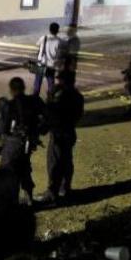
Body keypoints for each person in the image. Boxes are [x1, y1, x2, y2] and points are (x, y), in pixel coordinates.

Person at [35, 70, 84, 204]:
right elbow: (78, 115)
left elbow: (51, 114)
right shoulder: (78, 96)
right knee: (67, 161)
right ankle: (65, 188)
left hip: (58, 134)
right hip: (70, 132)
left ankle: (52, 192)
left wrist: (42, 127)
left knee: (54, 163)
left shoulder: (60, 95)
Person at [0, 77, 46, 205]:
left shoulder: (10, 105)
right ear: (23, 88)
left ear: (12, 90)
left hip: (13, 143)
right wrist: (38, 131)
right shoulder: (34, 101)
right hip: (29, 142)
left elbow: (2, 129)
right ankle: (29, 198)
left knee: (8, 171)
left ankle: (12, 203)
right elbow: (47, 116)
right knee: (24, 167)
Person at [33, 22, 63, 96]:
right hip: (51, 65)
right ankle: (50, 99)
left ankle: (35, 99)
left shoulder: (44, 37)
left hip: (41, 64)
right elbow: (60, 53)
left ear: (49, 29)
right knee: (51, 84)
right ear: (58, 31)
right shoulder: (59, 41)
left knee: (37, 83)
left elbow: (37, 45)